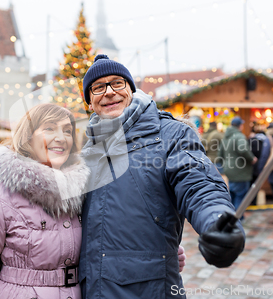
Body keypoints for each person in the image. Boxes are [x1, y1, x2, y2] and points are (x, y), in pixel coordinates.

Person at [80, 54, 245, 299]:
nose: (109, 92)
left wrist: (217, 221)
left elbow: (199, 184)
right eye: (98, 87)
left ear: (131, 89)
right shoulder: (87, 149)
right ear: (90, 101)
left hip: (149, 289)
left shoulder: (171, 134)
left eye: (117, 83)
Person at [0, 103, 91, 298]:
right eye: (49, 128)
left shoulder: (79, 193)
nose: (61, 138)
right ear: (28, 137)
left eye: (67, 131)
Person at [219, 117, 257, 215]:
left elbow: (220, 155)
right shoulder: (239, 136)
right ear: (239, 125)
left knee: (233, 196)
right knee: (241, 197)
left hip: (229, 170)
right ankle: (236, 220)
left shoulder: (226, 137)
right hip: (240, 171)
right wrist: (252, 159)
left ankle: (231, 218)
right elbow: (243, 150)